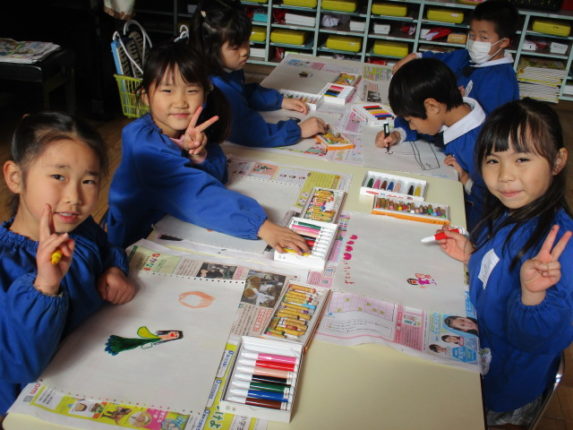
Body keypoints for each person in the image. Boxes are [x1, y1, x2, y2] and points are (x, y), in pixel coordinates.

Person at [437, 98, 572, 428]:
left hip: (505, 376)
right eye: (493, 160)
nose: (505, 176)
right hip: (479, 345)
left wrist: (533, 296)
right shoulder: (510, 211)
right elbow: (495, 267)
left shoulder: (560, 248)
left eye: (522, 159)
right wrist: (472, 255)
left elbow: (540, 340)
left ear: (557, 161)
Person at [106, 41, 309, 255]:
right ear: (145, 97)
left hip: (165, 222)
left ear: (204, 95)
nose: (180, 102)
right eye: (167, 90)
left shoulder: (184, 132)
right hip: (132, 240)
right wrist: (260, 226)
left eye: (191, 90)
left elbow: (217, 175)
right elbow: (196, 194)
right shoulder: (144, 146)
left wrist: (199, 155)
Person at [0, 112, 136, 419]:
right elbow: (19, 364)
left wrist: (114, 269)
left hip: (95, 372)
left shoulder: (80, 229)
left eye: (88, 181)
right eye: (58, 177)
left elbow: (108, 247)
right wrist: (44, 287)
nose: (74, 197)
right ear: (16, 177)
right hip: (27, 409)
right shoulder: (5, 264)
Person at [190, 0, 328, 148]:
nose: (245, 51)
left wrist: (278, 101)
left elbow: (241, 93)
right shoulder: (217, 87)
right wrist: (299, 130)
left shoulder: (226, 66)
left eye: (246, 41)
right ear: (210, 49)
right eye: (236, 47)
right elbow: (251, 132)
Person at [376, 58, 487, 228]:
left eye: (410, 120)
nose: (411, 126)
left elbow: (493, 200)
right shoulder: (451, 114)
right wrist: (398, 133)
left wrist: (466, 180)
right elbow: (426, 127)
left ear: (432, 106)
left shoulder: (478, 146)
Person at [391, 0, 519, 115]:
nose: (475, 42)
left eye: (483, 37)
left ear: (503, 42)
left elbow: (490, 126)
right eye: (472, 35)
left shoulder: (500, 80)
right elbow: (440, 60)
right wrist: (416, 56)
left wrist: (460, 106)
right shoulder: (466, 56)